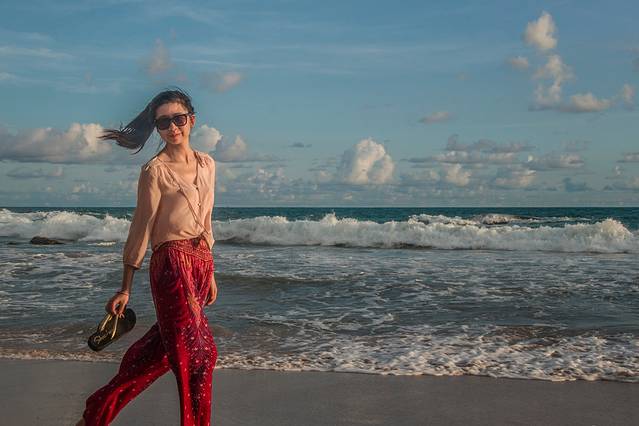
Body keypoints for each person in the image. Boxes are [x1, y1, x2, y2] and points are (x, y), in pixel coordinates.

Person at [76, 88, 219, 426]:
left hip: (201, 264)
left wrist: (211, 272)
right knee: (200, 356)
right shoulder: (154, 170)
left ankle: (94, 416)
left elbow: (207, 220)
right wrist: (125, 287)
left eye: (178, 119)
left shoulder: (207, 164)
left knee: (159, 354)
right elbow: (141, 227)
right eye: (163, 122)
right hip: (172, 265)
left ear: (192, 120)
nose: (172, 127)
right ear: (157, 128)